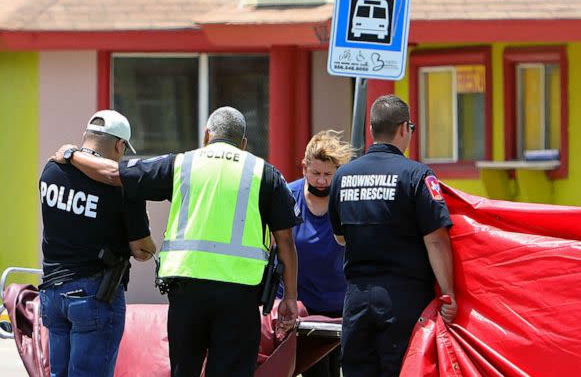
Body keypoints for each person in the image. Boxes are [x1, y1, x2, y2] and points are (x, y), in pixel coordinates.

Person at [52, 106, 300, 377]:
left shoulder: (182, 164)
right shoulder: (265, 174)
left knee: (184, 370)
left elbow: (115, 174)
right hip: (240, 296)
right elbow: (285, 241)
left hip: (186, 291)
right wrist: (289, 296)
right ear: (243, 143)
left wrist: (71, 154)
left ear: (207, 136)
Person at [328, 95, 458, 377]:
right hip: (404, 298)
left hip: (356, 297)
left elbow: (340, 237)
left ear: (373, 130)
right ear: (403, 129)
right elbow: (435, 239)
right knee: (403, 370)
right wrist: (448, 293)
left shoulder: (343, 176)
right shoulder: (417, 175)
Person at [39, 110, 156, 377]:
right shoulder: (123, 186)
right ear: (119, 145)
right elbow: (141, 250)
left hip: (52, 295)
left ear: (86, 138)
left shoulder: (51, 170)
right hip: (94, 296)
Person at [279, 130, 354, 377]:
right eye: (316, 173)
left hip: (340, 308)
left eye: (328, 175)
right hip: (303, 309)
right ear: (304, 169)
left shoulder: (347, 199)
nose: (321, 180)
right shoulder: (289, 196)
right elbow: (275, 248)